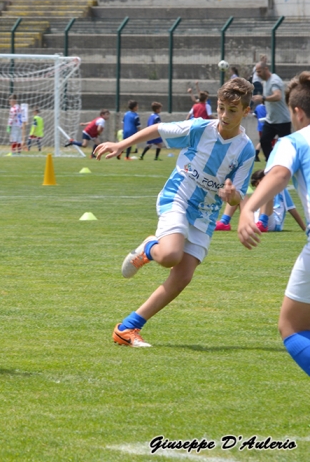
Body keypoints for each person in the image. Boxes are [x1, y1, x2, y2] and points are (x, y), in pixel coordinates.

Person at [95, 77, 256, 348]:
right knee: (170, 256)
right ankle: (149, 249)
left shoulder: (246, 150)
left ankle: (127, 328)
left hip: (205, 215)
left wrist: (232, 196)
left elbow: (239, 193)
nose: (224, 116)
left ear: (246, 112)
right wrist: (122, 145)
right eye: (221, 108)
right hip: (177, 198)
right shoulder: (199, 129)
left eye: (232, 110)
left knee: (182, 277)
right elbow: (158, 128)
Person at [237, 71, 310, 377]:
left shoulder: (294, 141)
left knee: (291, 327)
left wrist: (247, 209)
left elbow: (278, 175)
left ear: (297, 112)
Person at [252, 61, 292, 161]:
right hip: (271, 120)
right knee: (264, 141)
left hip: (282, 120)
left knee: (287, 146)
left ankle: (290, 164)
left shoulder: (274, 80)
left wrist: (263, 98)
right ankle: (271, 162)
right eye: (256, 72)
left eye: (259, 71)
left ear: (266, 69)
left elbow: (277, 96)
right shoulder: (265, 81)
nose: (257, 74)